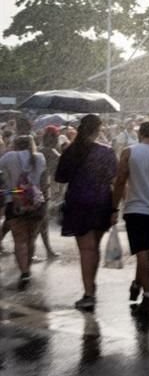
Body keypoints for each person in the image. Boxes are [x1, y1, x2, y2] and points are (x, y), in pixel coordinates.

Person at [56, 114, 118, 312]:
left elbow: (61, 178)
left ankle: (88, 292)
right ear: (98, 130)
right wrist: (116, 207)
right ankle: (92, 286)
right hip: (102, 203)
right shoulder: (106, 152)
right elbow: (114, 180)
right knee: (95, 247)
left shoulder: (71, 151)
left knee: (86, 250)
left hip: (78, 203)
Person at [111, 120, 149, 315]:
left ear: (140, 134)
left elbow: (120, 180)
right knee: (144, 252)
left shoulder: (129, 152)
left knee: (142, 253)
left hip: (134, 209)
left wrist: (114, 206)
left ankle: (148, 296)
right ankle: (137, 284)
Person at [0, 135, 46, 289]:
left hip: (14, 202)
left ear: (15, 144)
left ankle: (24, 272)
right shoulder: (39, 158)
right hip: (36, 203)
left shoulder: (9, 157)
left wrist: (10, 189)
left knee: (20, 241)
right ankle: (28, 267)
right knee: (31, 239)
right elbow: (43, 181)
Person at [37, 126, 62, 259]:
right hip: (43, 191)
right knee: (40, 222)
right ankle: (32, 252)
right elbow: (58, 172)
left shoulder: (38, 151)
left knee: (42, 222)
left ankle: (48, 250)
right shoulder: (52, 153)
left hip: (36, 190)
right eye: (56, 137)